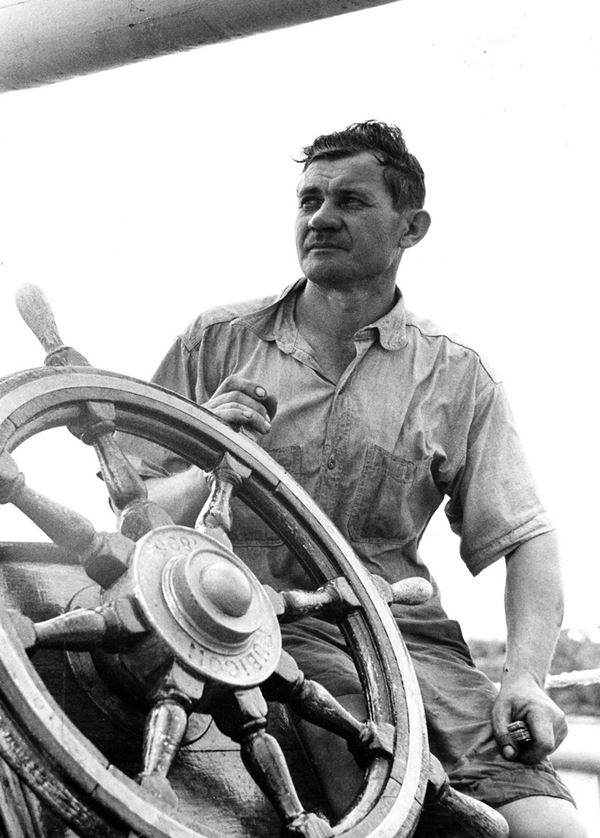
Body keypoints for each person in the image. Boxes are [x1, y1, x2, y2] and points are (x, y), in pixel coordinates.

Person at [121, 121, 587, 837]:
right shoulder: (214, 341)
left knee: (551, 828)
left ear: (412, 227)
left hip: (405, 638)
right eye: (309, 200)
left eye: (350, 201)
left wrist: (523, 674)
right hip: (243, 620)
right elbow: (131, 516)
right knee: (381, 804)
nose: (321, 218)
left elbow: (528, 539)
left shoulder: (456, 376)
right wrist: (208, 453)